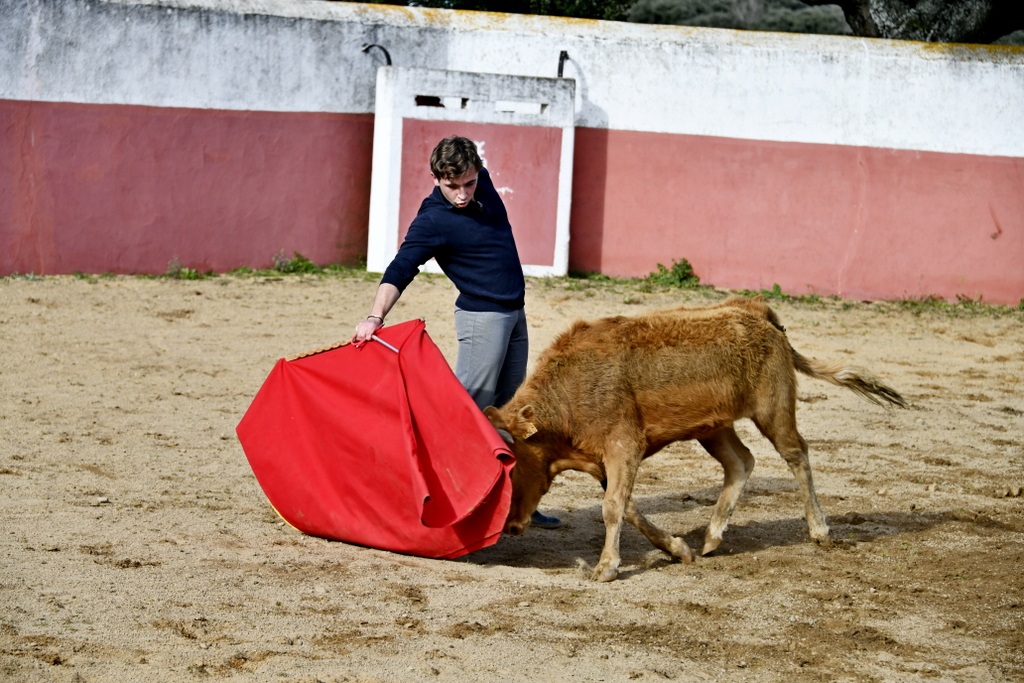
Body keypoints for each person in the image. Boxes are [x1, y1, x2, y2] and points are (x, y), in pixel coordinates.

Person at [352, 136, 563, 530]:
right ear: (436, 179)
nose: (463, 194)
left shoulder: (482, 185)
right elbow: (401, 268)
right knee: (466, 413)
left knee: (509, 413)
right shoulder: (433, 219)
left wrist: (473, 180)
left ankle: (517, 504)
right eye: (453, 187)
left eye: (469, 183)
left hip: (513, 316)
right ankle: (436, 501)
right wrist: (374, 317)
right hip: (482, 320)